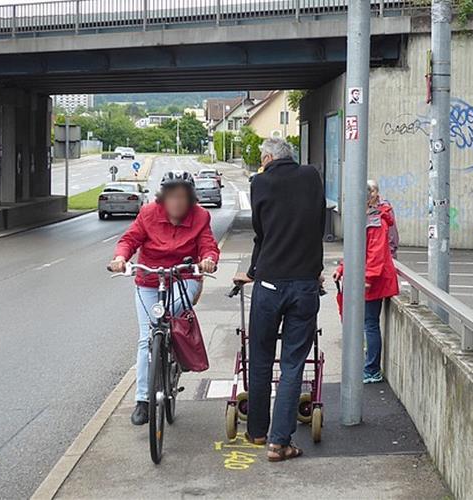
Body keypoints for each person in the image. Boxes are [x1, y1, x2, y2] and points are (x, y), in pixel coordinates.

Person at [234, 138, 325, 462]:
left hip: (269, 283)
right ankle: (279, 443)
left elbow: (262, 232)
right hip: (304, 284)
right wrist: (315, 268)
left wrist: (253, 269)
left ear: (269, 158)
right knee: (292, 365)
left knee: (259, 359)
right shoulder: (312, 176)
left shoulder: (259, 182)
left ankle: (257, 431)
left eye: (262, 159)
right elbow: (318, 225)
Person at [109, 170, 219, 426]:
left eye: (183, 196)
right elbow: (130, 239)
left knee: (167, 317)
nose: (177, 201)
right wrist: (120, 258)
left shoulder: (200, 216)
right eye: (172, 195)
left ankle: (177, 354)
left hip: (184, 279)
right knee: (147, 337)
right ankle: (143, 400)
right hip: (149, 280)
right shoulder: (148, 213)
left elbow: (207, 244)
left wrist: (209, 260)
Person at [333, 180, 399, 384]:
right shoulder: (370, 217)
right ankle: (369, 366)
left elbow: (375, 253)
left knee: (369, 323)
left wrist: (367, 279)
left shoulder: (374, 219)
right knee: (366, 323)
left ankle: (372, 369)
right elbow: (356, 249)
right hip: (367, 278)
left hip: (372, 280)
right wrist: (343, 269)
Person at [367, 179, 399, 259]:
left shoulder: (384, 207)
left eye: (372, 191)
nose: (370, 194)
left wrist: (391, 252)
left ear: (377, 191)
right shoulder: (363, 207)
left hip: (384, 253)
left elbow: (392, 231)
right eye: (368, 191)